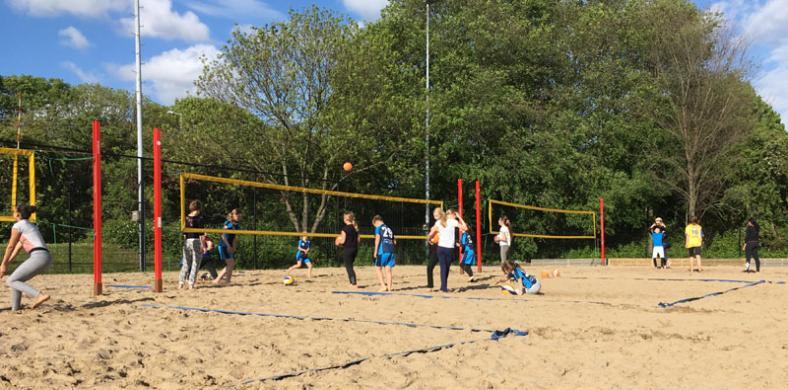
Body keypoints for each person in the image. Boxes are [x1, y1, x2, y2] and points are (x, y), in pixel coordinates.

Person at [0, 204, 52, 311]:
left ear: (18, 214)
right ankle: (16, 307)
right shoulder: (30, 226)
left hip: (38, 256)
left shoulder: (18, 226)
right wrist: (6, 264)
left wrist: (3, 264)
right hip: (45, 257)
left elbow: (10, 246)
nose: (12, 213)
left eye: (14, 211)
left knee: (11, 281)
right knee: (16, 279)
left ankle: (39, 295)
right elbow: (17, 248)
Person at [428, 208, 466, 293]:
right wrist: (459, 217)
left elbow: (431, 233)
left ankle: (443, 287)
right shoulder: (452, 221)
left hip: (441, 248)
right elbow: (465, 227)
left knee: (443, 267)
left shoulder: (438, 222)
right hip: (449, 248)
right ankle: (443, 287)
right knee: (446, 267)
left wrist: (429, 239)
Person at [180, 200, 206, 289]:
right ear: (199, 208)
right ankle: (191, 283)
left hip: (187, 241)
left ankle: (181, 282)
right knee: (195, 263)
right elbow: (201, 234)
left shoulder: (186, 217)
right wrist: (203, 245)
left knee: (186, 263)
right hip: (196, 241)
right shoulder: (200, 218)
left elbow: (183, 232)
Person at [215, 209, 241, 284]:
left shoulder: (237, 225)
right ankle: (218, 280)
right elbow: (223, 235)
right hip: (223, 245)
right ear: (233, 215)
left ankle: (227, 280)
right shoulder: (228, 223)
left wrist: (233, 246)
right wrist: (228, 246)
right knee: (231, 263)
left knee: (231, 264)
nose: (239, 216)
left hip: (228, 245)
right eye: (237, 214)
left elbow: (234, 237)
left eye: (239, 214)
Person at [335, 211, 360, 288]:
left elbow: (343, 241)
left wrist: (337, 242)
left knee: (349, 267)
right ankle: (351, 282)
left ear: (345, 219)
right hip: (355, 249)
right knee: (350, 266)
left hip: (348, 250)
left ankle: (353, 283)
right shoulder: (355, 228)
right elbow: (358, 240)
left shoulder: (345, 229)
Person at [372, 215, 396, 292]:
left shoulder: (378, 228)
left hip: (383, 250)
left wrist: (375, 251)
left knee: (377, 267)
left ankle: (383, 286)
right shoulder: (389, 229)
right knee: (388, 269)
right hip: (391, 250)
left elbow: (377, 240)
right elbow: (394, 242)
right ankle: (389, 288)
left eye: (374, 225)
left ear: (376, 222)